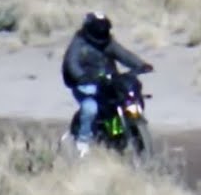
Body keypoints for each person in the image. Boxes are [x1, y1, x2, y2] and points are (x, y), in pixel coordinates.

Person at [61, 12, 153, 157]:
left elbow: (123, 54)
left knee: (125, 97)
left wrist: (140, 65)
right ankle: (82, 142)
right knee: (90, 108)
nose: (102, 33)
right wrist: (81, 76)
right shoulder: (78, 44)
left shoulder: (107, 42)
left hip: (108, 80)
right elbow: (72, 63)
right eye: (99, 30)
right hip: (85, 83)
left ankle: (120, 133)